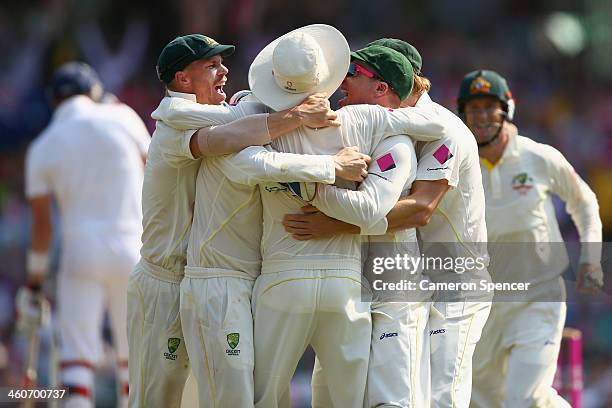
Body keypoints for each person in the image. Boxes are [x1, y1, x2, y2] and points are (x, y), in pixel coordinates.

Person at [127, 33, 365, 408]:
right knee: (157, 398)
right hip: (165, 278)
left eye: (222, 64)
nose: (224, 72)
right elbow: (237, 135)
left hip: (206, 276)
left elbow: (244, 121)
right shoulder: (172, 118)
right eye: (211, 66)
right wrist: (319, 150)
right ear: (183, 80)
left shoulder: (214, 113)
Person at [283, 38, 492, 408]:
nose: (343, 81)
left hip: (453, 282)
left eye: (353, 73)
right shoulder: (385, 122)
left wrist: (335, 224)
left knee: (442, 398)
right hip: (400, 275)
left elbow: (419, 210)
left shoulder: (447, 130)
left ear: (386, 86)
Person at [247, 25, 445, 408]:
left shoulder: (257, 118)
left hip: (297, 280)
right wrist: (324, 169)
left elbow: (243, 163)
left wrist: (305, 182)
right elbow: (434, 124)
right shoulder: (370, 123)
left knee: (262, 401)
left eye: (356, 74)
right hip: (346, 284)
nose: (347, 80)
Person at [457, 69, 603, 408]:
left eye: (489, 107)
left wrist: (590, 258)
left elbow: (584, 202)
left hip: (539, 297)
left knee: (522, 400)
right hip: (485, 303)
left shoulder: (537, 156)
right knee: (483, 399)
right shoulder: (457, 165)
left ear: (507, 107)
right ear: (462, 113)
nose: (481, 117)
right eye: (473, 108)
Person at [20, 61, 150, 408]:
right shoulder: (124, 117)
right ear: (94, 92)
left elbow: (43, 227)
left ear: (54, 101)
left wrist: (34, 283)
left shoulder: (44, 145)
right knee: (133, 362)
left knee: (76, 364)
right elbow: (158, 176)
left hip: (80, 253)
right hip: (135, 249)